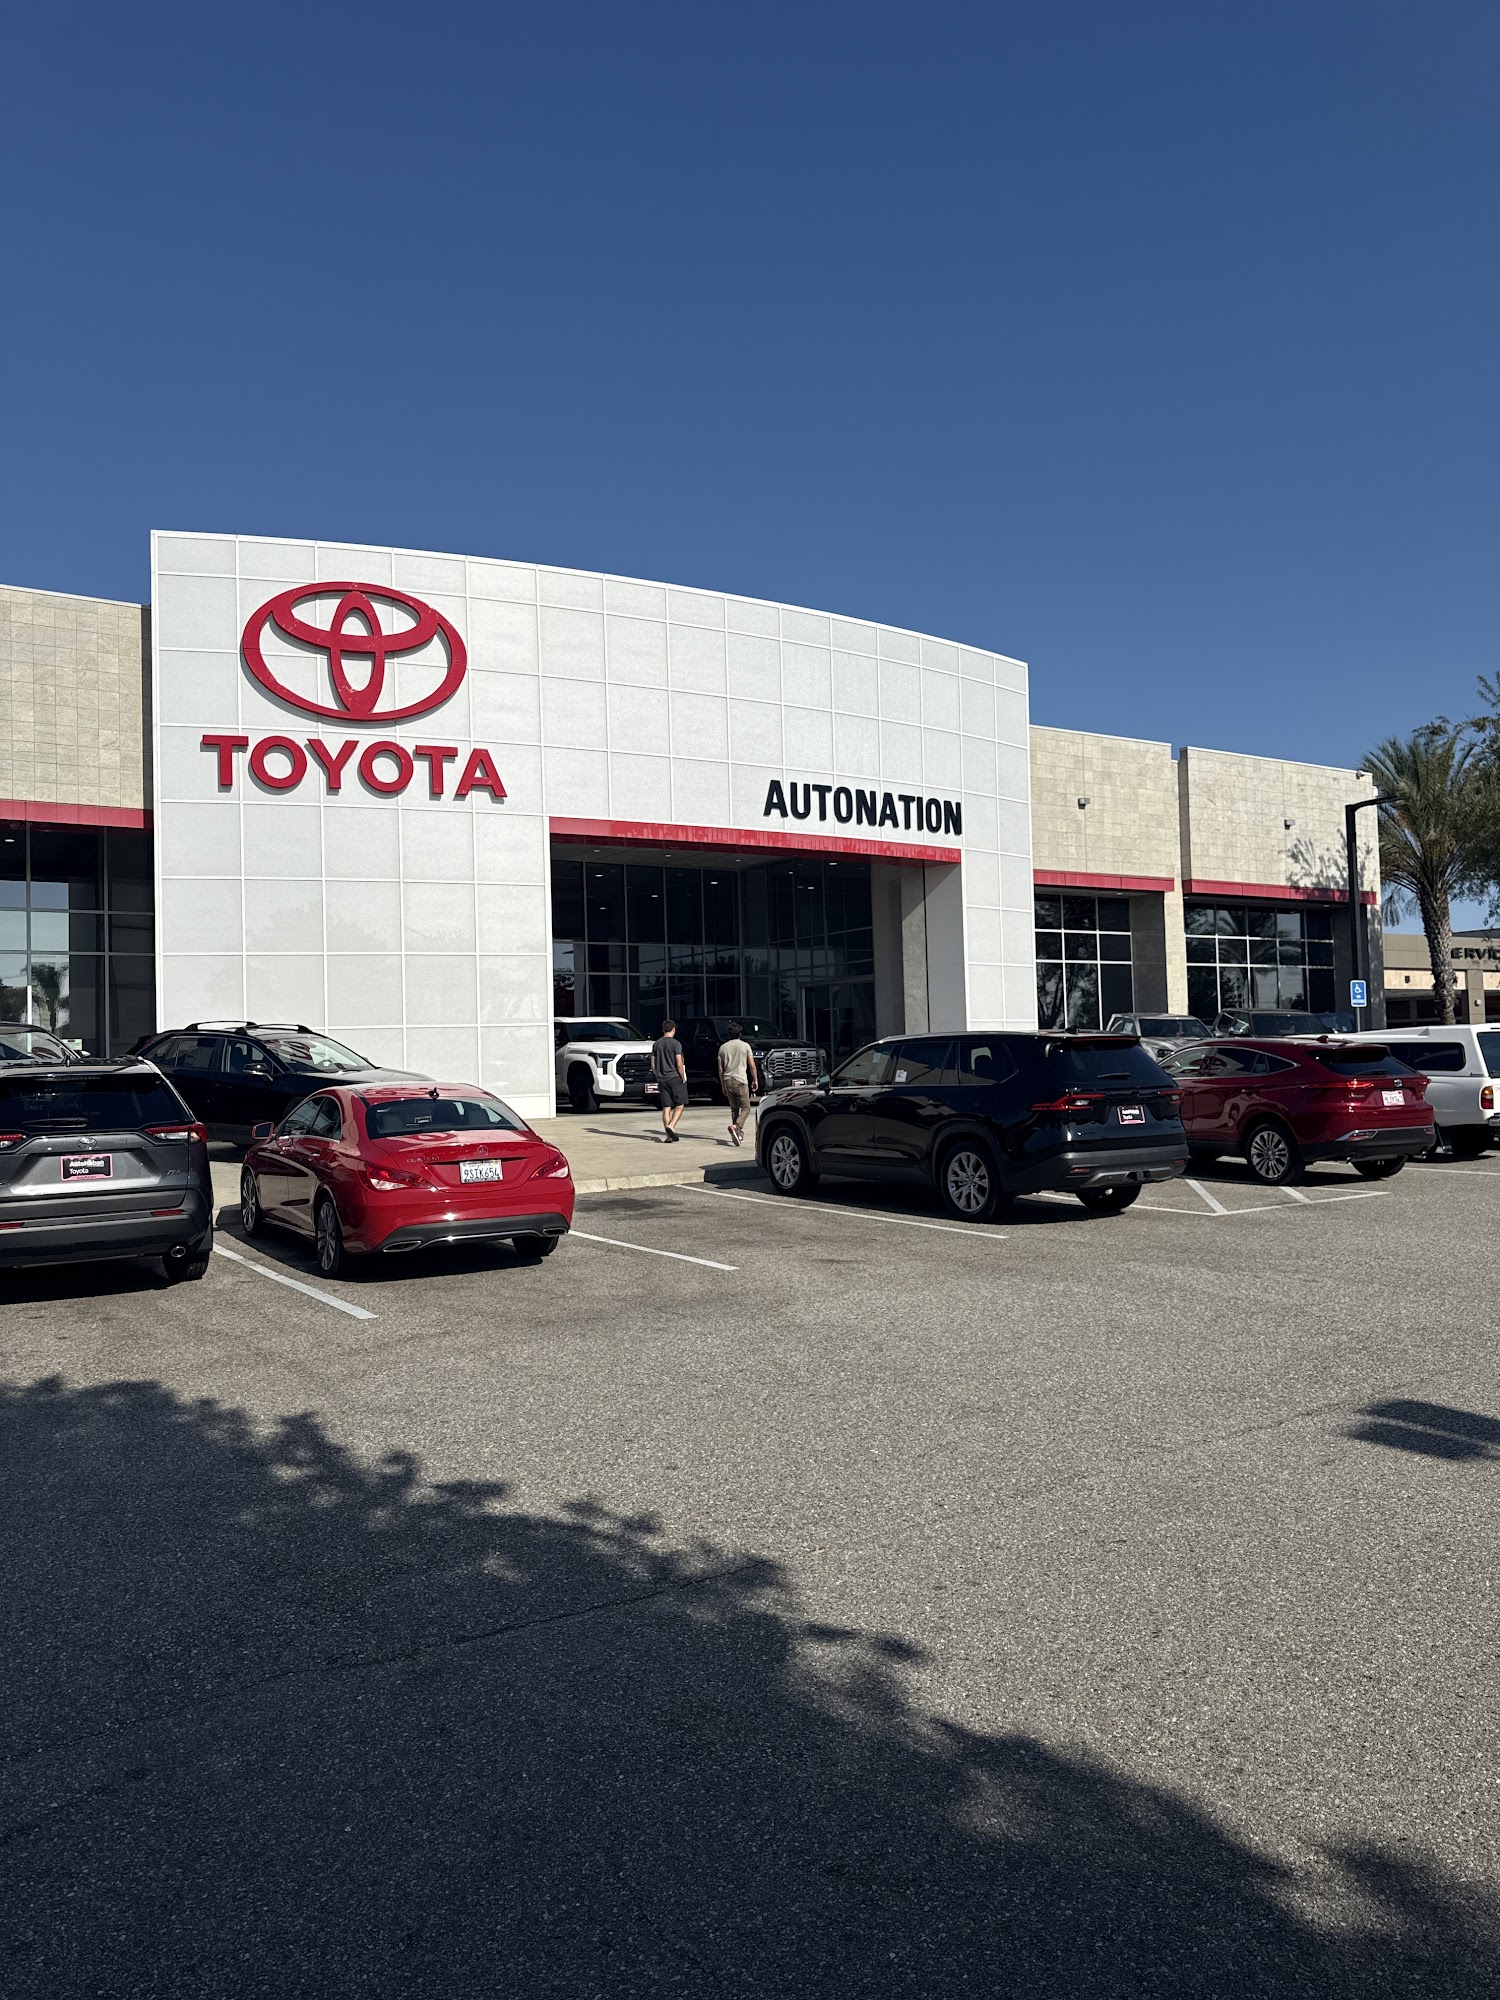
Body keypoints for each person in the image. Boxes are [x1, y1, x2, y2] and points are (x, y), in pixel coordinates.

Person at [717, 1021, 759, 1147]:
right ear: (740, 1033)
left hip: (728, 1080)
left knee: (734, 1109)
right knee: (746, 1108)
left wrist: (723, 1084)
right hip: (741, 1080)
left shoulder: (723, 1048)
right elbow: (752, 1065)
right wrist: (755, 1079)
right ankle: (737, 1127)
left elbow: (720, 1069)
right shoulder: (745, 1046)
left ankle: (738, 1134)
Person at [652, 1017, 688, 1141]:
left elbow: (653, 1064)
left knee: (666, 1107)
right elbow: (679, 1063)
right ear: (673, 1029)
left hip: (662, 1079)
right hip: (674, 1077)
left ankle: (668, 1137)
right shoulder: (676, 1043)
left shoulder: (656, 1044)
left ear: (663, 1030)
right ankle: (671, 1126)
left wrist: (658, 1075)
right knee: (680, 1104)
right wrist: (682, 1076)